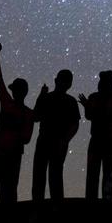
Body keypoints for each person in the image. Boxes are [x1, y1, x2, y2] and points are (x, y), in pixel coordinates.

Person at [0, 43, 34, 204]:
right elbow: (27, 139)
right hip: (13, 153)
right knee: (10, 187)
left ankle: (5, 222)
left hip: (4, 152)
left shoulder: (8, 104)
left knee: (4, 188)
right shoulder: (28, 113)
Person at [31, 69, 80, 201]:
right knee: (55, 176)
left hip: (46, 141)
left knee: (40, 176)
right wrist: (65, 140)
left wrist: (41, 96)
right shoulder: (71, 101)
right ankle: (56, 207)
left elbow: (35, 117)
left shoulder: (47, 98)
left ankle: (39, 207)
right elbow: (75, 125)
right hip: (58, 142)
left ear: (56, 80)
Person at [79, 70, 112, 199]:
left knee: (99, 173)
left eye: (102, 81)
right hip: (105, 140)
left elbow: (92, 116)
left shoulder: (98, 97)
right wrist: (87, 106)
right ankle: (101, 200)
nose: (100, 83)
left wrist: (88, 106)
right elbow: (90, 116)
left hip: (102, 140)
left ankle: (95, 201)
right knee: (103, 173)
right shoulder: (111, 98)